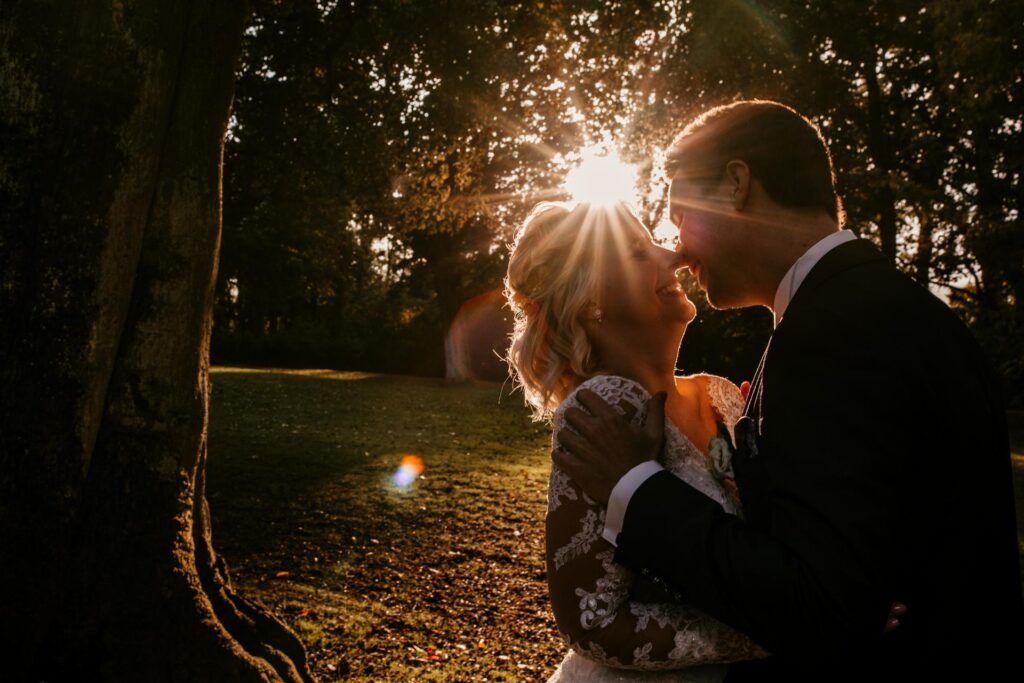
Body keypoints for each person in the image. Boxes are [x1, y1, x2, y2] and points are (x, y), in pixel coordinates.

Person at [553, 100, 1024, 681]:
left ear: (736, 184)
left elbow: (824, 603)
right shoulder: (890, 310)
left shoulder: (834, 331)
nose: (679, 248)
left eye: (681, 218)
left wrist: (636, 487)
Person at [505, 201, 768, 682]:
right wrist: (781, 630)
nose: (672, 256)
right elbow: (592, 621)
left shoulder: (722, 395)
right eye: (635, 252)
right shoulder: (604, 408)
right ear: (590, 301)